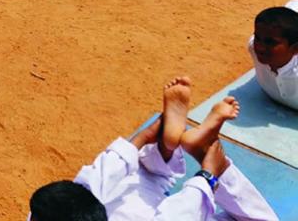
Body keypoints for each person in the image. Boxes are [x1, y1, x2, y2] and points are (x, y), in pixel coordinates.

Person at [31, 77, 277, 220]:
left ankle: (164, 150)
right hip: (141, 211)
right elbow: (180, 214)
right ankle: (165, 153)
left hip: (123, 212)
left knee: (125, 186)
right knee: (139, 181)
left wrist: (144, 136)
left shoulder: (46, 213)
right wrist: (210, 177)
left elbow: (86, 187)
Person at [249, 5, 298, 110]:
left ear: (295, 49)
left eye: (270, 42)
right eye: (257, 38)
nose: (260, 47)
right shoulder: (253, 47)